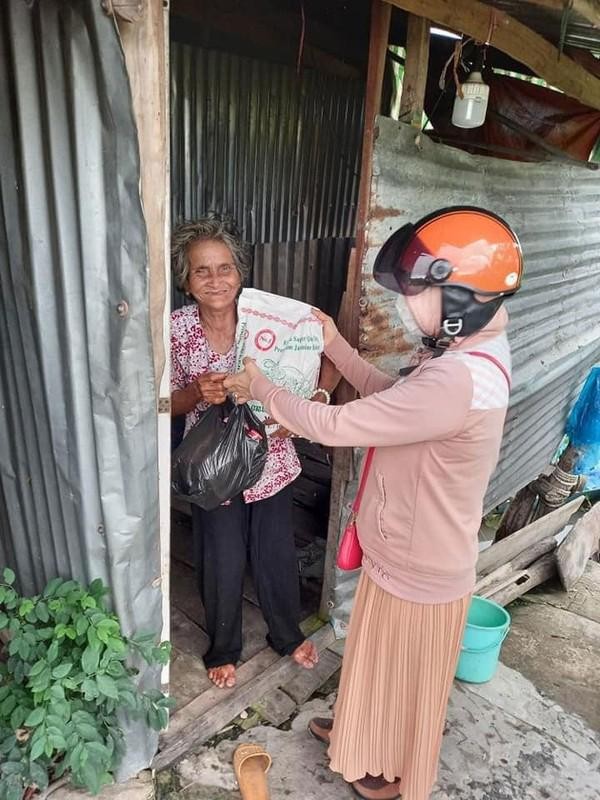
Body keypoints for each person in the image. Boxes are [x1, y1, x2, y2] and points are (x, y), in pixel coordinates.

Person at [224, 207, 523, 800]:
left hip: (422, 560)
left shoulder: (455, 379)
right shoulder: (465, 362)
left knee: (404, 675)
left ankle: (392, 769)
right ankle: (363, 733)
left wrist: (259, 384)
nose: (409, 307)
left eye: (422, 294)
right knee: (376, 656)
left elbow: (338, 424)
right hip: (410, 549)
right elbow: (391, 397)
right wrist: (333, 340)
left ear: (464, 299)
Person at [170, 215, 338, 689]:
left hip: (272, 458)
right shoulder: (175, 329)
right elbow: (156, 403)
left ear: (240, 274)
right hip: (213, 469)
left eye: (225, 268)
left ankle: (287, 635)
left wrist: (316, 402)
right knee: (219, 558)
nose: (215, 279)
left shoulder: (272, 318)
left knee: (275, 554)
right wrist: (194, 394)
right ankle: (224, 647)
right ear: (186, 279)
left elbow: (327, 349)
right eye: (201, 270)